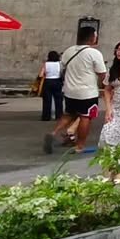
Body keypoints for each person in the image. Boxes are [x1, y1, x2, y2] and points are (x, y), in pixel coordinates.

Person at [45, 25, 106, 154]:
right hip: (87, 92)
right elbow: (102, 73)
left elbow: (62, 69)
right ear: (92, 38)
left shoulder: (68, 51)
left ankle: (53, 132)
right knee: (86, 117)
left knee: (69, 114)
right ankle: (80, 145)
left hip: (69, 90)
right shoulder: (94, 53)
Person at [38, 50, 64, 121]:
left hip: (47, 82)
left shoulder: (46, 64)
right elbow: (62, 73)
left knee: (47, 100)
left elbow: (41, 74)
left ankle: (46, 116)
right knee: (58, 100)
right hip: (57, 81)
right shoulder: (60, 64)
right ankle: (59, 116)